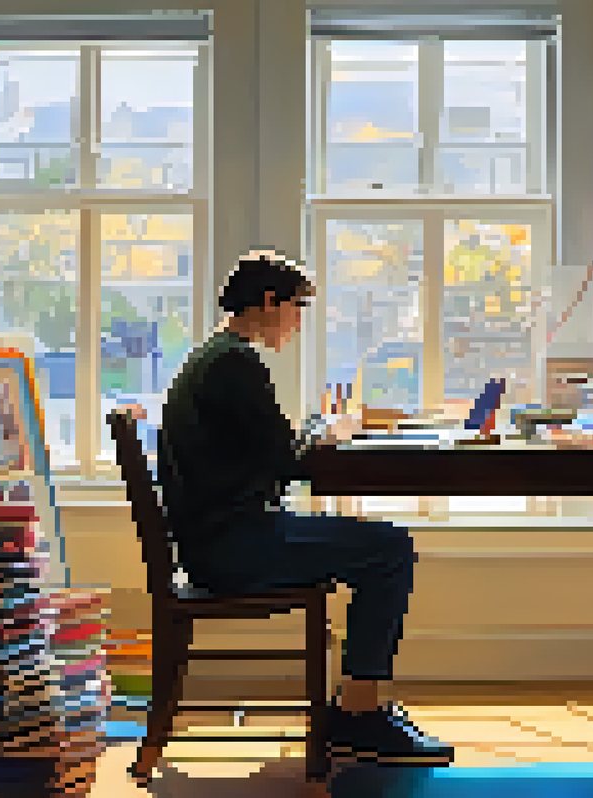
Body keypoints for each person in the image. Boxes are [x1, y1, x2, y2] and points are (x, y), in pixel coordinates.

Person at [138, 253, 453, 777]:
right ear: (268, 302)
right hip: (235, 547)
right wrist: (330, 435)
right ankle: (358, 712)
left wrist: (313, 433)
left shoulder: (214, 358)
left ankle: (359, 706)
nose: (298, 322)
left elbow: (267, 451)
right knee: (390, 549)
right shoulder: (234, 364)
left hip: (219, 540)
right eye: (296, 309)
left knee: (381, 547)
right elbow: (287, 463)